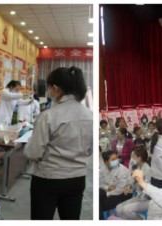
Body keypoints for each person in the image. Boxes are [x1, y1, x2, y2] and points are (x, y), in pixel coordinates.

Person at [25, 67, 92, 219]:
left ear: (56, 88)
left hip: (48, 179)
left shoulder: (48, 116)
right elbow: (90, 150)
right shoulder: (90, 116)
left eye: (49, 88)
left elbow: (33, 153)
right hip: (77, 179)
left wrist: (29, 144)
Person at [115, 147, 152, 220]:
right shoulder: (137, 167)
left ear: (139, 158)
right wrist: (129, 186)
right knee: (118, 208)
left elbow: (147, 188)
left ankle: (141, 220)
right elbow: (133, 181)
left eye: (133, 156)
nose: (132, 159)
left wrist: (139, 181)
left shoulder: (147, 169)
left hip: (146, 199)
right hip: (139, 196)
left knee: (126, 209)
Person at [99, 150, 132, 219]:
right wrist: (107, 187)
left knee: (102, 205)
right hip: (109, 190)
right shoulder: (103, 169)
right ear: (106, 162)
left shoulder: (122, 170)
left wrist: (108, 193)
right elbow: (100, 183)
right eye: (113, 159)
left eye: (116, 158)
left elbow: (120, 189)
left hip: (123, 193)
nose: (116, 161)